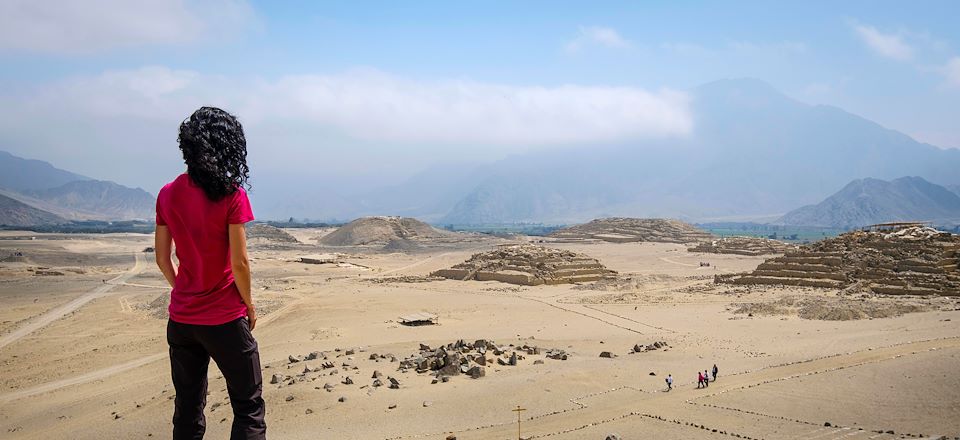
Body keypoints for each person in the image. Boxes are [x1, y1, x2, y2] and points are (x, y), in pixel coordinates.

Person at [155, 107, 266, 440]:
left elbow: (162, 258)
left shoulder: (166, 193)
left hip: (182, 321)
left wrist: (185, 290)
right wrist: (249, 305)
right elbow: (240, 262)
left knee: (187, 411)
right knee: (248, 408)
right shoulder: (232, 194)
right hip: (224, 319)